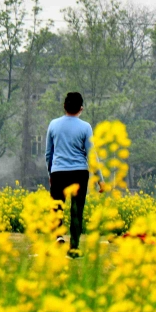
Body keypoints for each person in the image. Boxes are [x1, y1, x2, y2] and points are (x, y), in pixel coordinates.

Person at [46, 92, 94, 255]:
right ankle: (74, 246)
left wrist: (50, 174)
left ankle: (58, 236)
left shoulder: (53, 124)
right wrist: (100, 180)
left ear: (64, 106)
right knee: (76, 210)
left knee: (56, 206)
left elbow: (48, 154)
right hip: (80, 173)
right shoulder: (86, 127)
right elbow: (91, 154)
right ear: (81, 108)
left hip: (58, 172)